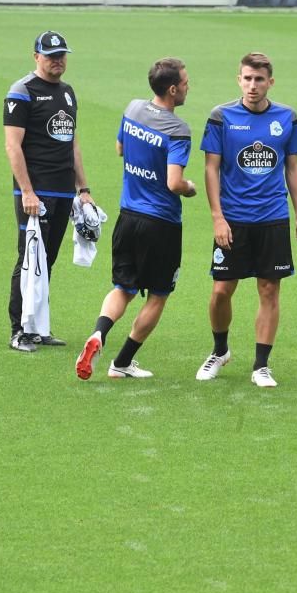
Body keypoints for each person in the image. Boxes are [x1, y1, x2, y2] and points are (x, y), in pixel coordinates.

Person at [75, 58, 196, 380]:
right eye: (185, 82)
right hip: (161, 224)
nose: (188, 87)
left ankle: (99, 333)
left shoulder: (132, 109)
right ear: (172, 89)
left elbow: (119, 148)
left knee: (123, 287)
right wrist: (190, 188)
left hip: (127, 217)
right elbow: (174, 182)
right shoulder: (178, 130)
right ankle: (122, 362)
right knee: (158, 295)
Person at [195, 52, 297, 388]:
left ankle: (261, 365)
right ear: (238, 79)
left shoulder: (287, 117)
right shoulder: (221, 116)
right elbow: (211, 168)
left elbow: (293, 167)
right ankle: (219, 351)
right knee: (221, 291)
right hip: (234, 219)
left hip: (273, 217)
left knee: (269, 289)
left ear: (270, 82)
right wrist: (217, 217)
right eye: (247, 78)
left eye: (259, 79)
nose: (252, 85)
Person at [4, 30, 93, 353]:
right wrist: (27, 192)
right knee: (29, 258)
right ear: (36, 56)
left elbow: (73, 144)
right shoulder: (22, 92)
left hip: (61, 192)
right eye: (51, 55)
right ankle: (19, 330)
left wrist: (83, 189)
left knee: (47, 259)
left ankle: (37, 327)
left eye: (61, 55)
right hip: (35, 192)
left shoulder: (68, 93)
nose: (57, 61)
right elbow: (13, 146)